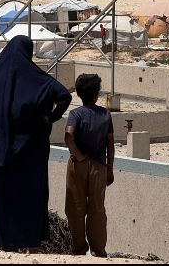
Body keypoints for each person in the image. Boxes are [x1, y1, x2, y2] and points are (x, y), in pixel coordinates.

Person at [0, 36, 72, 252]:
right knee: (32, 194)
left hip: (1, 149)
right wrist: (49, 118)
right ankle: (32, 242)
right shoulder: (37, 78)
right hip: (32, 149)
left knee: (3, 196)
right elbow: (64, 96)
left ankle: (3, 241)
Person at [64, 74, 114, 257]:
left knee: (75, 208)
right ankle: (98, 250)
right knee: (97, 209)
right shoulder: (105, 115)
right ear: (96, 93)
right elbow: (110, 143)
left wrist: (78, 155)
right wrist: (110, 169)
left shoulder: (75, 114)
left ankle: (79, 249)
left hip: (78, 165)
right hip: (99, 166)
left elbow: (69, 136)